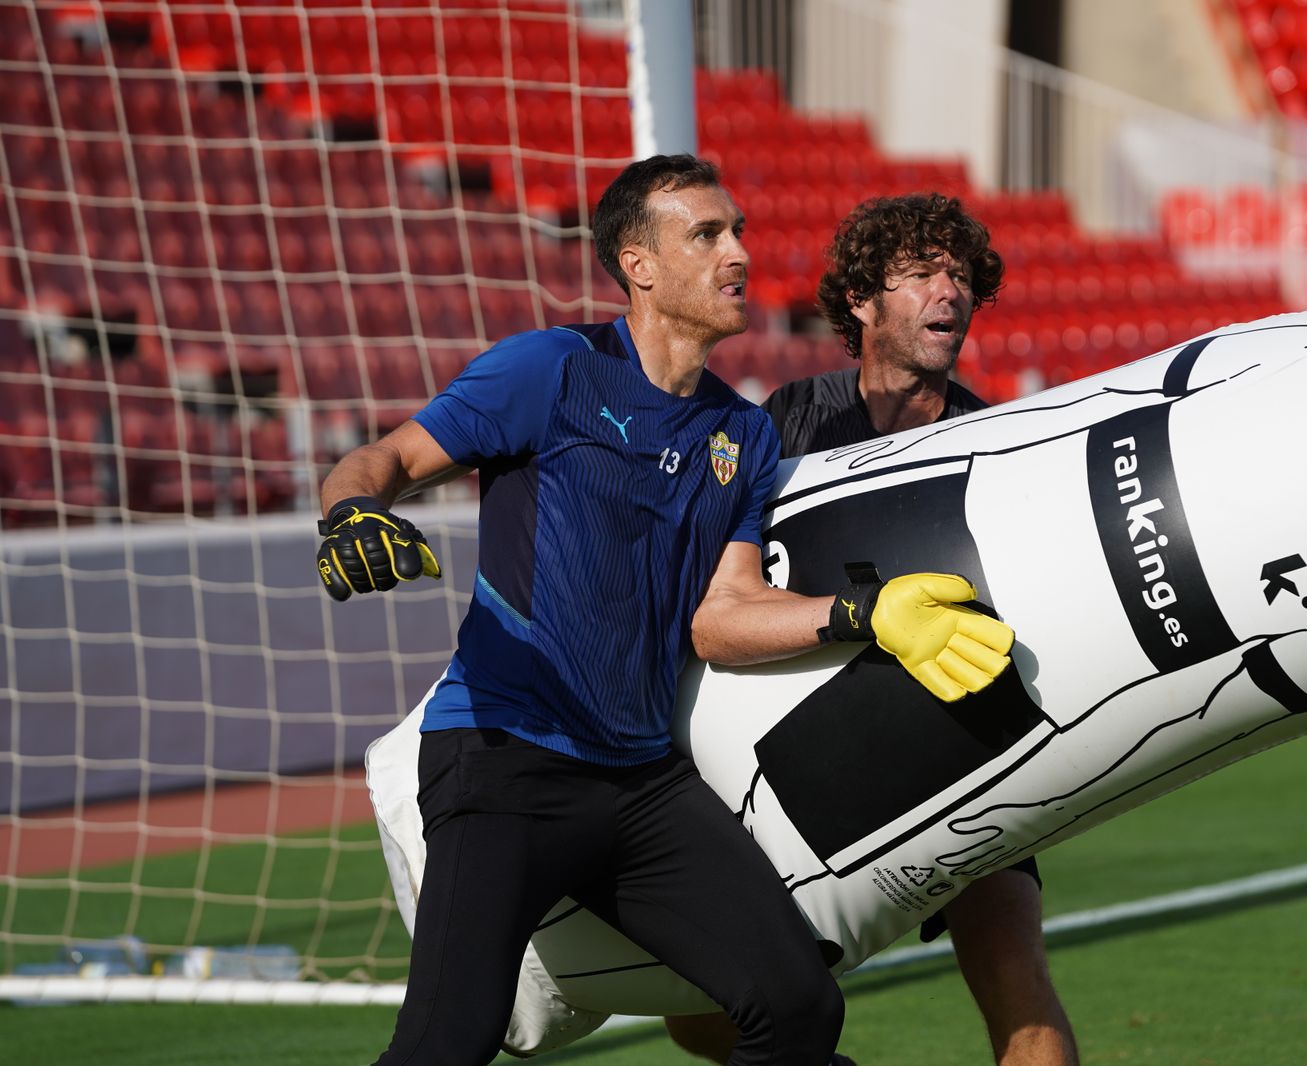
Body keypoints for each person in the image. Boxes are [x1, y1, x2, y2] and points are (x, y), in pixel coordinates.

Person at [313, 157, 1016, 1066]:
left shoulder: (743, 432)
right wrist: (349, 514)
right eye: (708, 234)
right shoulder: (551, 369)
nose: (739, 254)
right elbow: (387, 461)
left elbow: (723, 615)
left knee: (798, 1009)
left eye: (741, 232)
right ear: (639, 265)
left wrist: (866, 615)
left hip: (641, 786)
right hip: (503, 765)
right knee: (447, 1044)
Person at [664, 193, 1080, 1066]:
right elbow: (726, 586)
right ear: (861, 301)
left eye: (962, 276)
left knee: (1017, 983)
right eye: (923, 273)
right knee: (699, 1012)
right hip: (813, 739)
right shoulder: (788, 423)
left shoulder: (994, 440)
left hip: (963, 736)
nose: (950, 292)